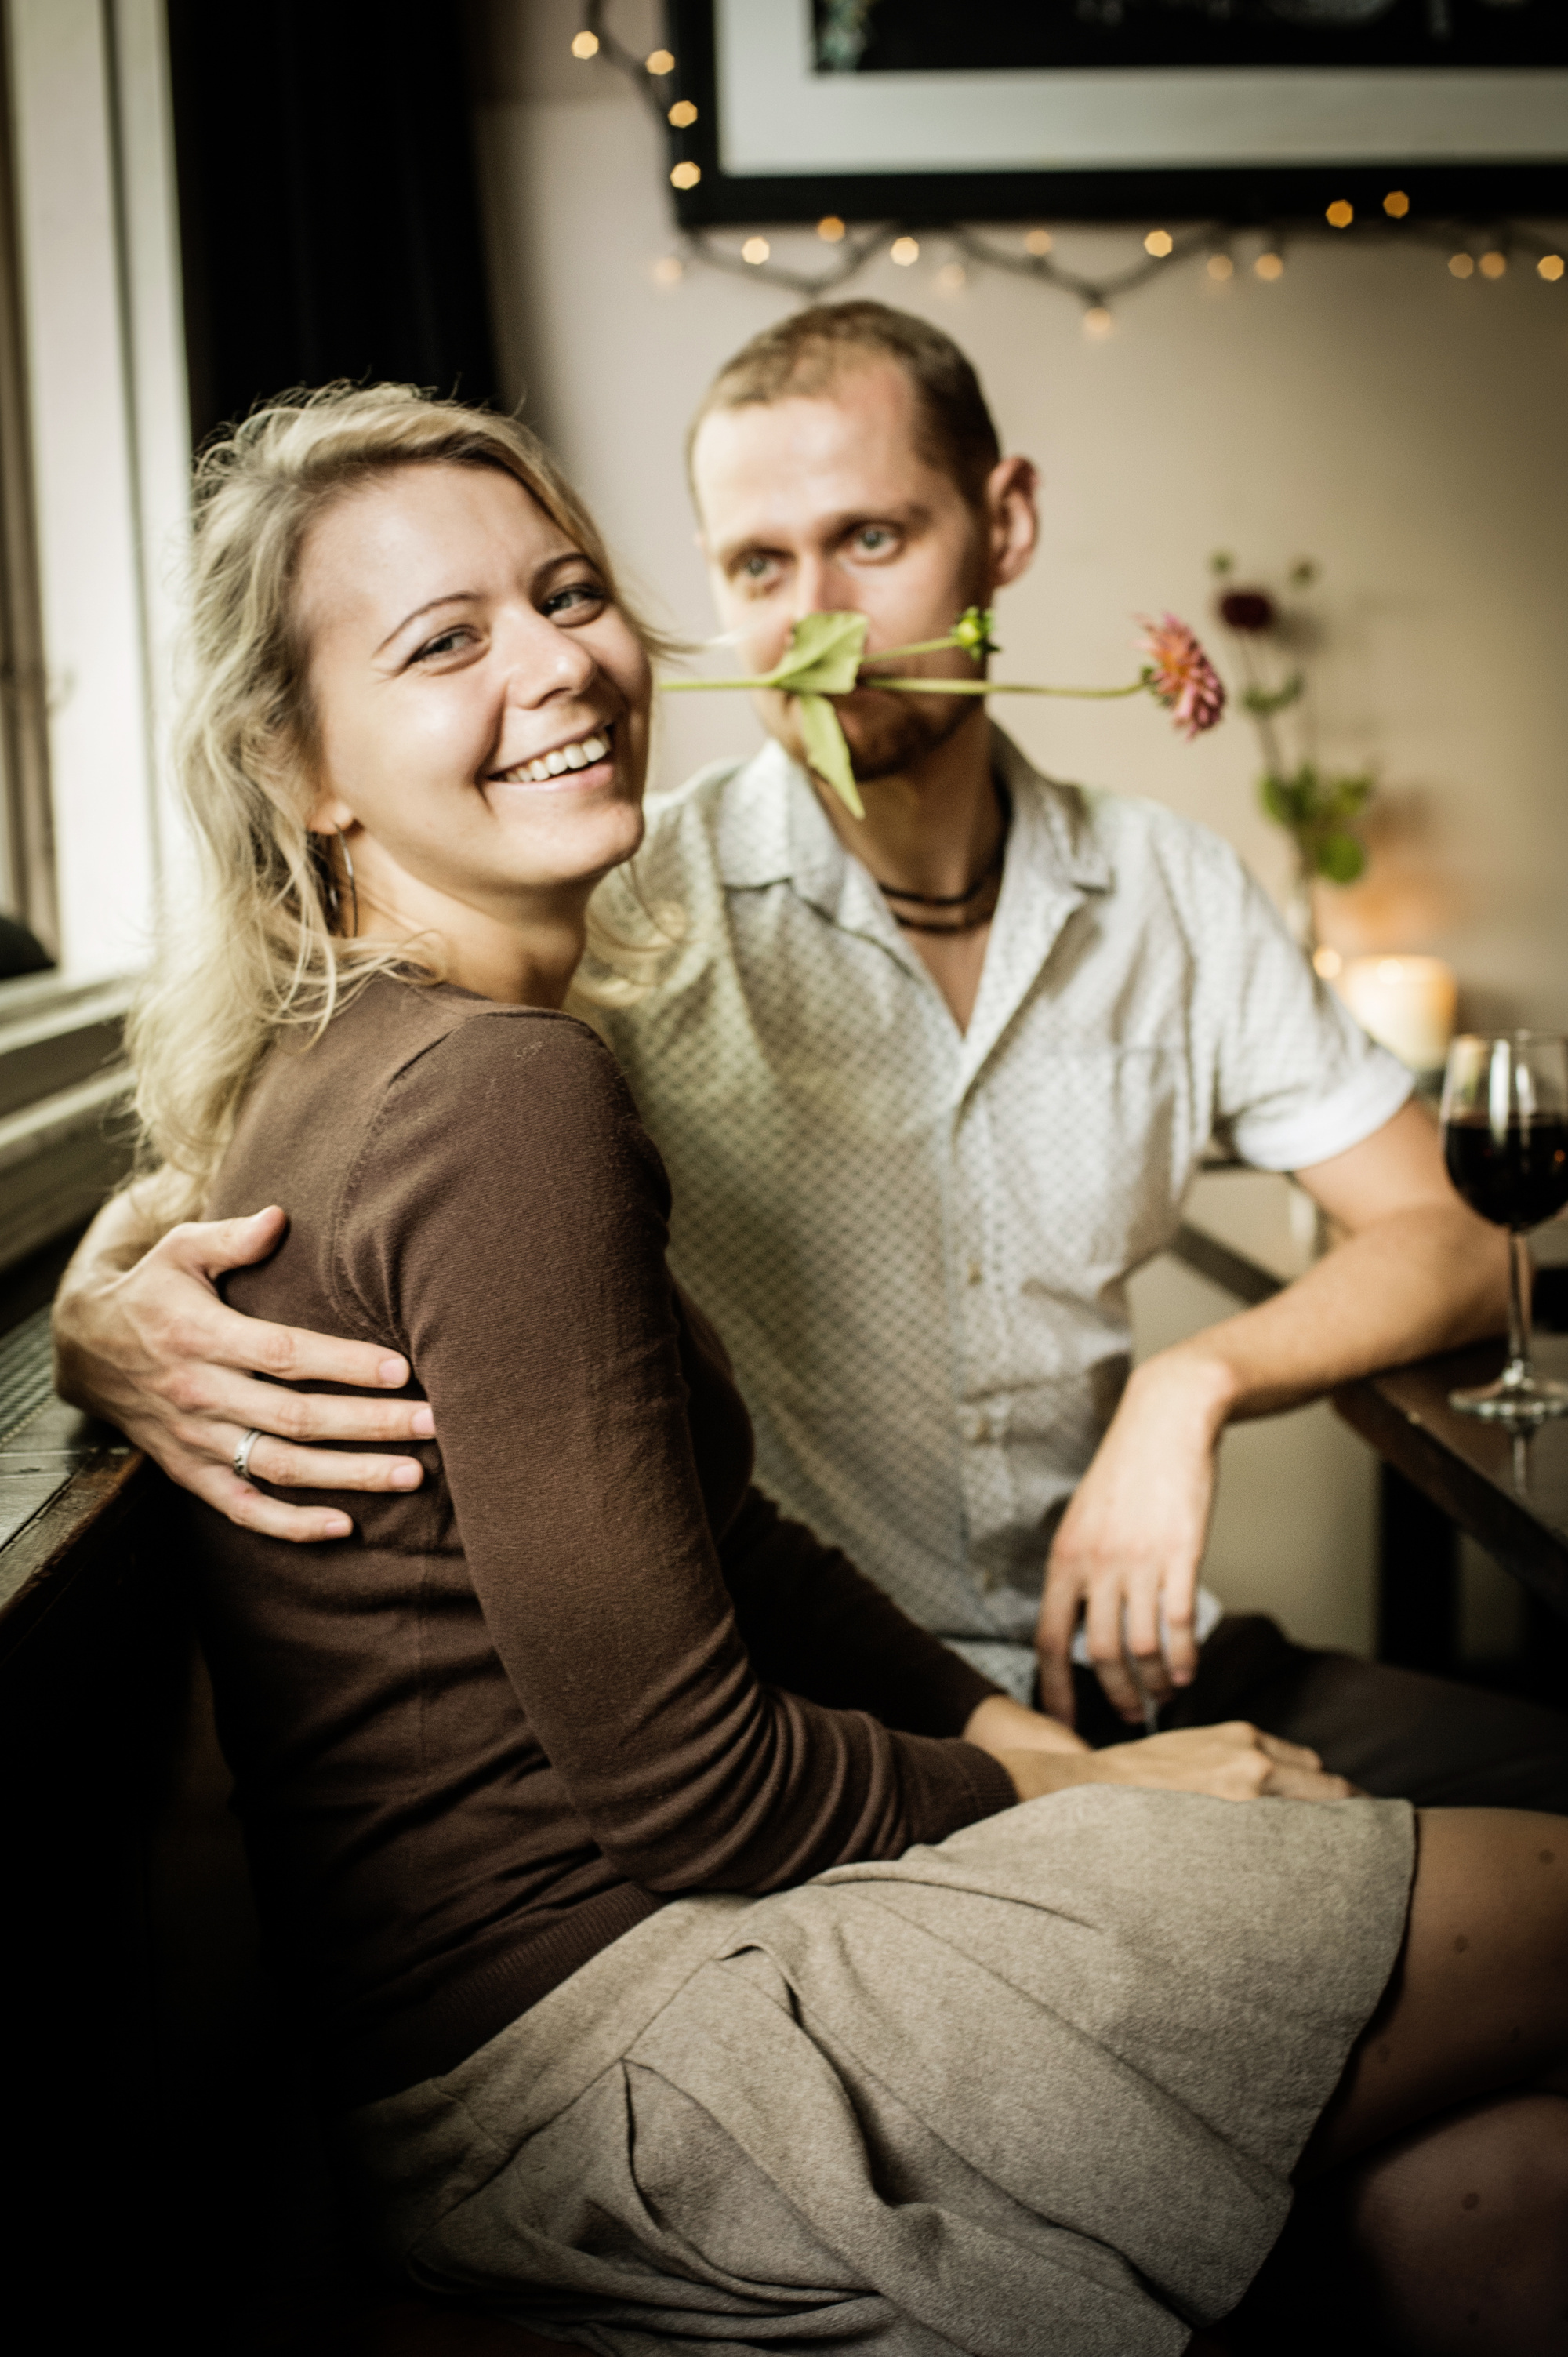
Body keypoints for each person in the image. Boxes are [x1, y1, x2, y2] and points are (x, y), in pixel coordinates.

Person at [128, 380, 1568, 2357]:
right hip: (644, 2030)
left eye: (567, 595)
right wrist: (1093, 1810)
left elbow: (722, 1541)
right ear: (301, 766)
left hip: (587, 1995)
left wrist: (1140, 1548)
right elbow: (693, 1778)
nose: (555, 666)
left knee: (1504, 2195)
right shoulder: (526, 1042)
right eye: (445, 642)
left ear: (1003, 530)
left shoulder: (417, 1033)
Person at [55, 304, 1568, 1812]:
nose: (812, 624)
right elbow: (281, 1171)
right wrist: (93, 1319)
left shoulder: (1171, 890)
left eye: (871, 539)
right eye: (758, 568)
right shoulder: (604, 886)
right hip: (822, 1713)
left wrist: (1197, 1383)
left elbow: (1447, 1226)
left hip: (1106, 1666)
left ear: (1005, 523)